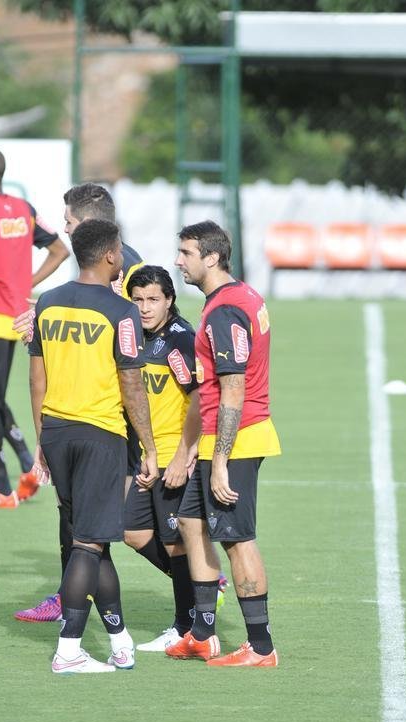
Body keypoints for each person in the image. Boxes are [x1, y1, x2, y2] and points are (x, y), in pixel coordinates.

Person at [29, 218, 158, 673]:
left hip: (58, 433)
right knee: (88, 542)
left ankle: (120, 639)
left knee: (94, 538)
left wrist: (42, 436)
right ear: (109, 255)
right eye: (121, 248)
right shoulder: (119, 311)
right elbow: (131, 383)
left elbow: (37, 376)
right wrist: (149, 447)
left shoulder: (48, 302)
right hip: (100, 435)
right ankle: (69, 650)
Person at [13, 183, 147, 623]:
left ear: (90, 227)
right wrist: (44, 318)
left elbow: (141, 334)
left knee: (119, 529)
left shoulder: (129, 272)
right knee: (83, 523)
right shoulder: (80, 282)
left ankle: (200, 582)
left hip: (111, 415)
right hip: (81, 416)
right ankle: (75, 604)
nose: (65, 229)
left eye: (69, 222)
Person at [166, 220, 281, 667]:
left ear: (211, 257)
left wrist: (219, 460)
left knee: (237, 539)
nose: (179, 261)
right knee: (191, 522)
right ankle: (202, 633)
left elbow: (233, 388)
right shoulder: (239, 296)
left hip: (236, 438)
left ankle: (261, 647)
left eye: (186, 253)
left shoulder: (225, 310)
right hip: (220, 436)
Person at [0, 147, 69, 509]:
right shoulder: (23, 210)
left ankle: (2, 488)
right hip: (16, 318)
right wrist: (25, 284)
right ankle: (24, 460)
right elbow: (60, 250)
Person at [123, 265, 203, 651]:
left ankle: (185, 624)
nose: (144, 307)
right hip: (147, 456)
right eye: (137, 299)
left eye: (153, 299)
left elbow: (201, 400)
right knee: (132, 532)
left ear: (169, 301)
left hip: (172, 456)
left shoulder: (178, 342)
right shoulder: (134, 337)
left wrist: (183, 456)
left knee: (175, 544)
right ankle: (203, 585)